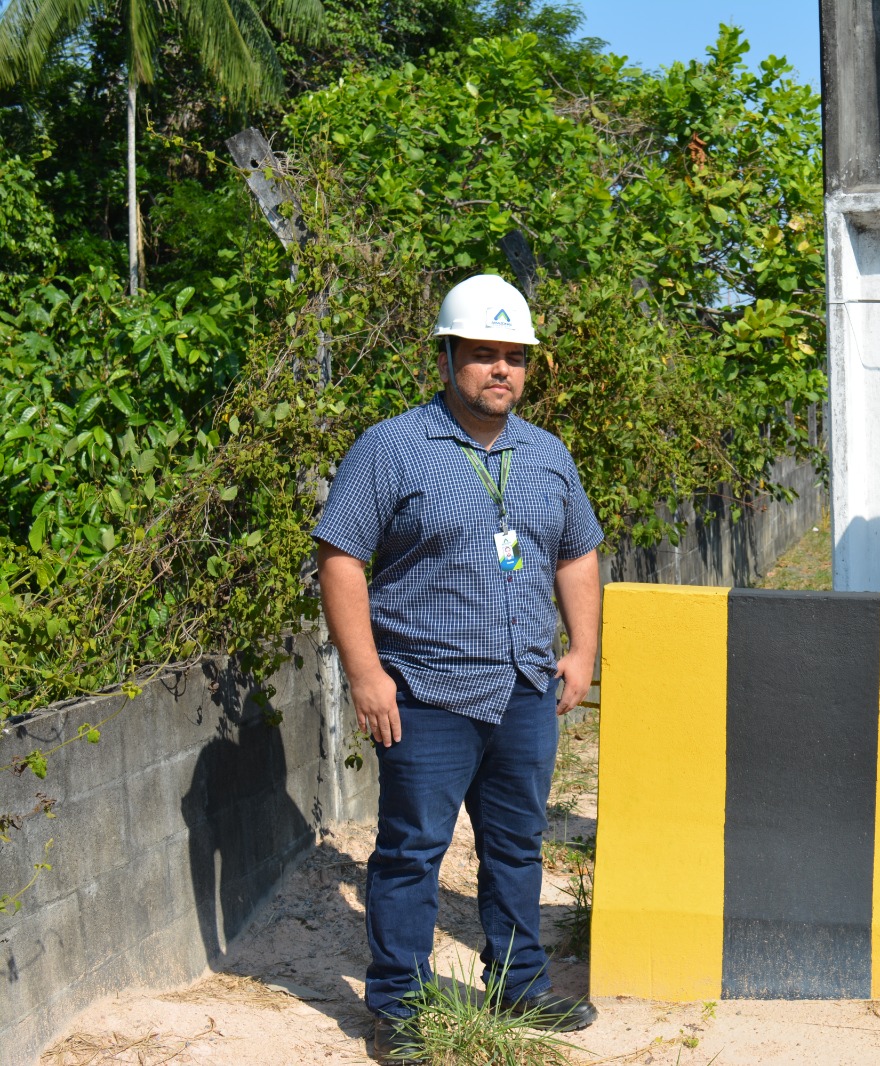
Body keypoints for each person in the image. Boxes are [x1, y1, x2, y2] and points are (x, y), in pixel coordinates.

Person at [315, 274, 605, 1061]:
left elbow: (578, 551)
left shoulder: (546, 454)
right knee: (413, 849)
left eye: (514, 357)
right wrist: (366, 674)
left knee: (517, 845)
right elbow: (340, 557)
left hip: (523, 687)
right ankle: (399, 1007)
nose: (500, 371)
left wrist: (581, 651)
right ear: (445, 359)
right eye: (483, 355)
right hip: (426, 693)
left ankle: (520, 987)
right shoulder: (392, 447)